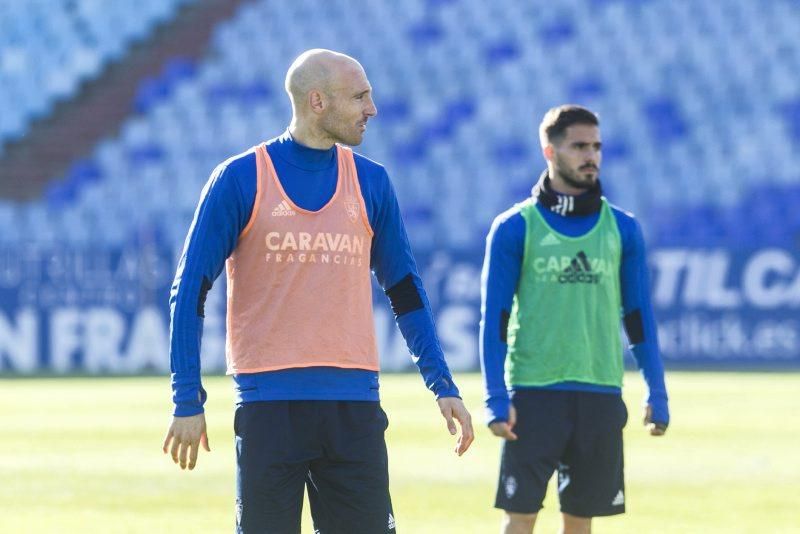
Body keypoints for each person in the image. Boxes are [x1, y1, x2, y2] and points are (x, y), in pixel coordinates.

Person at [161, 48, 474, 534]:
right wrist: (186, 398)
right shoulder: (240, 178)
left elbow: (406, 291)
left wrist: (442, 384)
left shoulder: (373, 182)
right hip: (268, 408)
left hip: (353, 408)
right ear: (317, 102)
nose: (372, 109)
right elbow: (189, 291)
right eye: (360, 97)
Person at [479, 105, 669, 534]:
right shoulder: (514, 227)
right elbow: (495, 320)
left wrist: (657, 391)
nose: (592, 156)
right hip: (532, 394)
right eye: (579, 146)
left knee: (581, 521)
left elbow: (638, 318)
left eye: (597, 146)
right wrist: (495, 396)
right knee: (520, 517)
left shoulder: (623, 228)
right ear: (550, 151)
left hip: (599, 393)